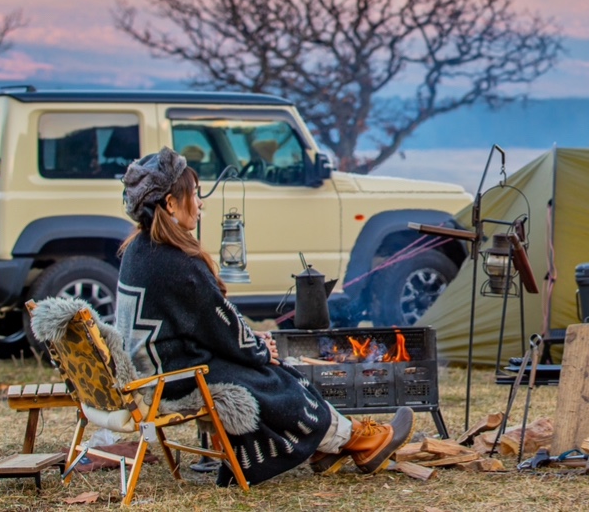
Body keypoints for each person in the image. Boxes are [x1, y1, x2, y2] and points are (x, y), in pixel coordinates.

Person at [115, 147, 412, 486]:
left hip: (154, 372)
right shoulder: (176, 264)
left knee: (267, 368)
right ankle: (361, 441)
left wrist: (252, 344)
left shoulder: (137, 251)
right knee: (274, 376)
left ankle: (332, 446)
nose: (200, 204)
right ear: (170, 203)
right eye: (194, 195)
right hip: (173, 380)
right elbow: (219, 326)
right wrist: (257, 349)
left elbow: (208, 325)